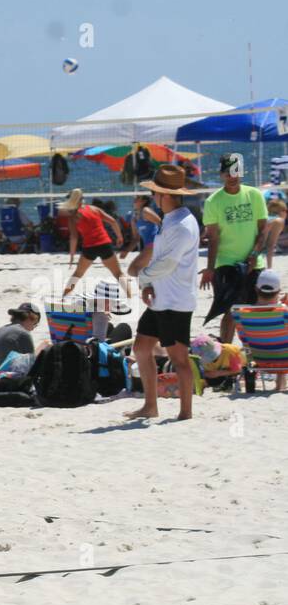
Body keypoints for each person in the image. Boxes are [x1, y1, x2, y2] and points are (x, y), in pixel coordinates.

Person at [126, 164, 201, 421]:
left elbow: (167, 263)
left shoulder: (182, 225)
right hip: (161, 297)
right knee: (141, 347)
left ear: (165, 195)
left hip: (176, 301)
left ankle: (186, 412)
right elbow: (160, 257)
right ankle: (150, 406)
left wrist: (143, 277)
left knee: (178, 358)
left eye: (155, 193)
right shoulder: (170, 219)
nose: (153, 197)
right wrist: (148, 285)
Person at [201, 153, 268, 343]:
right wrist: (210, 268)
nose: (232, 176)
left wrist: (254, 255)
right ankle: (225, 358)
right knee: (229, 311)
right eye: (228, 173)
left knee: (254, 313)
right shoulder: (213, 201)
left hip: (254, 263)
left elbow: (263, 230)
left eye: (235, 172)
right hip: (226, 263)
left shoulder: (254, 195)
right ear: (222, 174)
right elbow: (213, 238)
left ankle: (255, 359)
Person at [60, 188, 126, 295]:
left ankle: (63, 297)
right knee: (118, 273)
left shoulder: (73, 217)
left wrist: (72, 256)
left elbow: (74, 238)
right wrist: (120, 237)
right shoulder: (94, 209)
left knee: (77, 275)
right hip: (105, 244)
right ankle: (130, 296)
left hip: (89, 247)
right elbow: (113, 221)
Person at [0, 302, 39, 370]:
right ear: (29, 318)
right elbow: (32, 367)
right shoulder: (23, 334)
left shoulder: (0, 329)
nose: (33, 329)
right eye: (35, 324)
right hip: (9, 377)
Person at [123, 194, 162, 276]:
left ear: (144, 201)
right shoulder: (134, 218)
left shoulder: (146, 211)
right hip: (148, 246)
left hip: (155, 244)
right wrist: (126, 250)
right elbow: (136, 238)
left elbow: (161, 223)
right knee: (140, 271)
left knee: (133, 270)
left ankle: (148, 285)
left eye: (137, 198)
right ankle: (149, 286)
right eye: (134, 197)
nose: (134, 199)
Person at [258, 198, 286, 269]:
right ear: (282, 211)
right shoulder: (278, 221)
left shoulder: (267, 218)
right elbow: (270, 245)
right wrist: (270, 268)